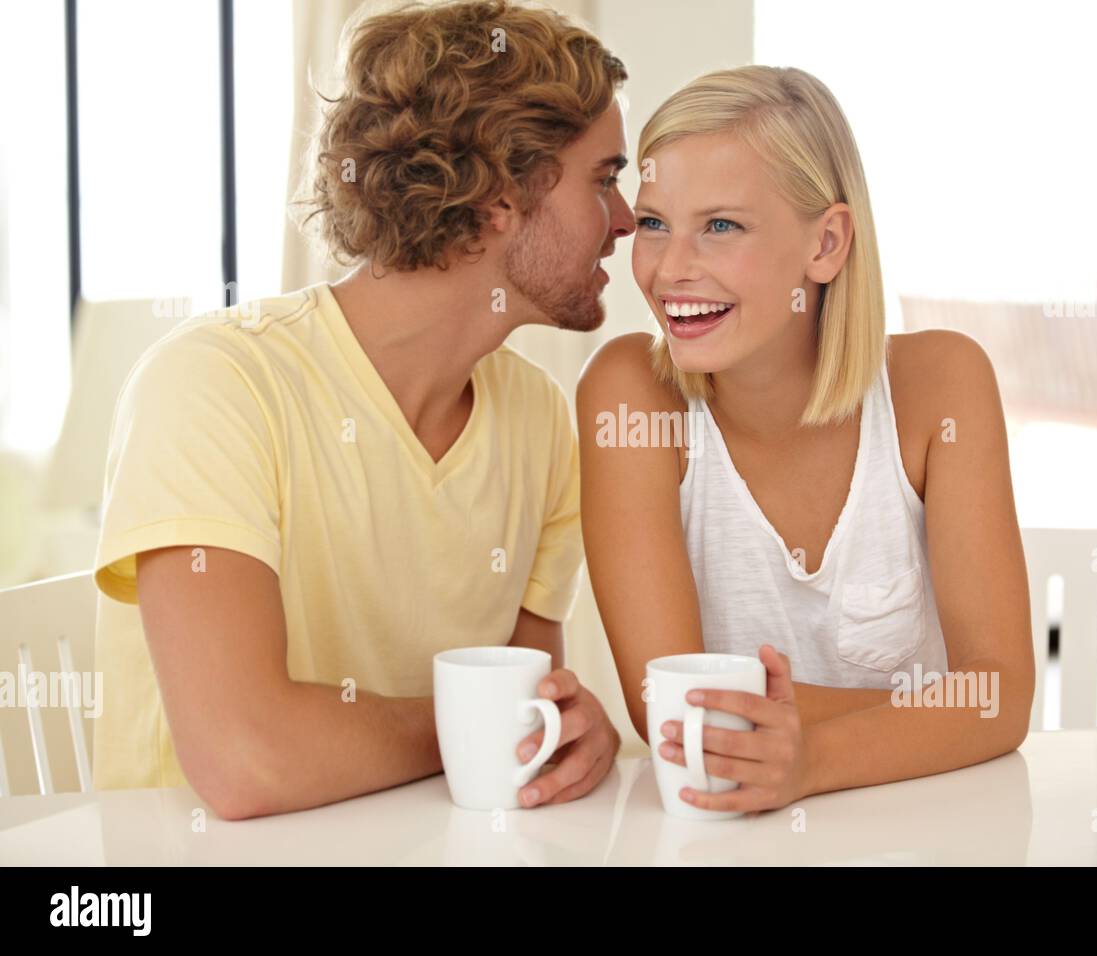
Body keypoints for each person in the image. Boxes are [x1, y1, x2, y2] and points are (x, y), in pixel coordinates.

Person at [92, 0, 633, 818]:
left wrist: (554, 734)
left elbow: (524, 737)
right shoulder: (215, 385)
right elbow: (246, 759)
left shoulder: (540, 421)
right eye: (605, 180)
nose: (626, 221)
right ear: (497, 198)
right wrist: (483, 726)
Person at [578, 65, 1035, 815]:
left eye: (721, 225)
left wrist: (809, 756)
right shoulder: (629, 394)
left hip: (927, 828)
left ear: (826, 244)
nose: (670, 269)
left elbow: (998, 695)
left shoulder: (943, 384)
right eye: (655, 222)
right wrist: (920, 717)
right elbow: (671, 708)